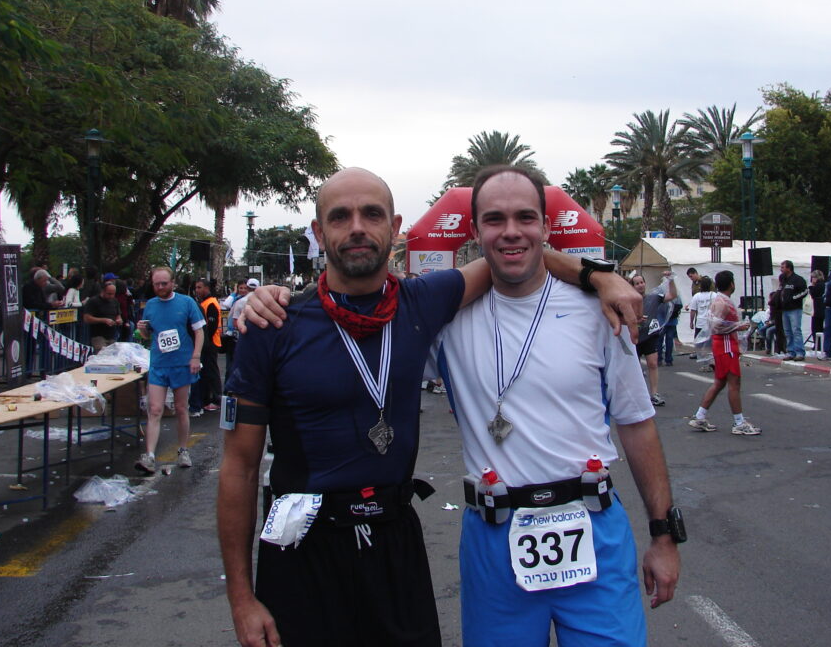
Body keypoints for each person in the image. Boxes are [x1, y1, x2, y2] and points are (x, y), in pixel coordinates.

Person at [218, 167, 643, 647]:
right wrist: (241, 597)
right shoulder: (272, 324)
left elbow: (515, 254)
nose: (357, 227)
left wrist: (598, 275)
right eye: (339, 217)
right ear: (318, 232)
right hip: (304, 552)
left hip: (395, 546)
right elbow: (239, 467)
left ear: (394, 227)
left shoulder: (422, 303)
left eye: (371, 214)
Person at [431, 167, 680, 646]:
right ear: (475, 231)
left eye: (525, 218)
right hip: (493, 542)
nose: (511, 231)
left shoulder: (598, 311)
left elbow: (637, 424)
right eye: (494, 219)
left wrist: (664, 536)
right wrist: (281, 300)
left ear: (546, 227)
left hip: (594, 530)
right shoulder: (446, 320)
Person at [136, 266, 204, 473]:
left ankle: (183, 450)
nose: (160, 287)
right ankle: (149, 456)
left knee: (181, 408)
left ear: (173, 283)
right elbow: (148, 335)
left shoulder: (187, 302)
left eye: (164, 283)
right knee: (155, 409)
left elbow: (199, 332)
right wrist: (142, 331)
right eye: (156, 284)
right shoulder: (150, 305)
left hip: (181, 363)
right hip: (158, 363)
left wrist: (195, 356)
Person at [688, 269, 761, 436]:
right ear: (731, 284)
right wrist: (738, 326)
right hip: (726, 345)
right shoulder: (722, 302)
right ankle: (739, 422)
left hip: (723, 345)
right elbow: (715, 325)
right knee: (734, 384)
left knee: (719, 383)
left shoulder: (721, 299)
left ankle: (700, 416)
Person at [630, 271, 677, 405]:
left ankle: (654, 394)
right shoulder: (629, 301)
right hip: (634, 337)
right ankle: (636, 395)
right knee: (634, 368)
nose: (640, 285)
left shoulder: (654, 297)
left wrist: (671, 280)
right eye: (637, 283)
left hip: (650, 336)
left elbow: (672, 295)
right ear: (632, 286)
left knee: (652, 363)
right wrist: (635, 321)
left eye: (642, 282)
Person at [190, 278, 222, 416]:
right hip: (207, 343)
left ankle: (216, 399)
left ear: (207, 288)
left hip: (211, 343)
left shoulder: (211, 303)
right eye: (196, 287)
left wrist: (205, 342)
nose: (197, 290)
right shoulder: (203, 303)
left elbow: (212, 326)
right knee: (205, 373)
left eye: (199, 287)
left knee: (211, 372)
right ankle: (207, 399)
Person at [778, 260, 807, 360]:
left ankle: (800, 352)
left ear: (789, 268)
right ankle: (791, 351)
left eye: (783, 267)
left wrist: (793, 298)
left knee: (796, 330)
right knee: (787, 332)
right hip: (784, 309)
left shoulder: (798, 279)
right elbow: (781, 291)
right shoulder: (783, 279)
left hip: (795, 309)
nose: (781, 269)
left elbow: (805, 291)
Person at [83, 281, 122, 353]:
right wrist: (104, 320)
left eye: (113, 294)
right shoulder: (93, 301)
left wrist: (119, 320)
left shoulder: (115, 301)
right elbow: (86, 318)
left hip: (112, 335)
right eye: (109, 294)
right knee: (102, 354)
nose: (111, 296)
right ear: (103, 291)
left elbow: (118, 315)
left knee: (112, 355)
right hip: (98, 335)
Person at [807, 269, 826, 355]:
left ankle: (818, 345)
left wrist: (812, 286)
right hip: (818, 308)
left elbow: (813, 293)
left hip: (818, 308)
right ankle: (818, 344)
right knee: (818, 327)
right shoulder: (823, 284)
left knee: (816, 327)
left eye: (813, 277)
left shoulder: (819, 285)